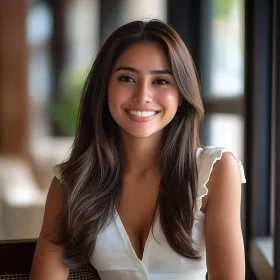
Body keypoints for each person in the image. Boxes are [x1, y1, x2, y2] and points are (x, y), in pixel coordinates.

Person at [30, 19, 246, 280]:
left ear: (181, 94)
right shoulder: (70, 184)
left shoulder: (216, 171)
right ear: (104, 88)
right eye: (127, 78)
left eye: (161, 81)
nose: (143, 94)